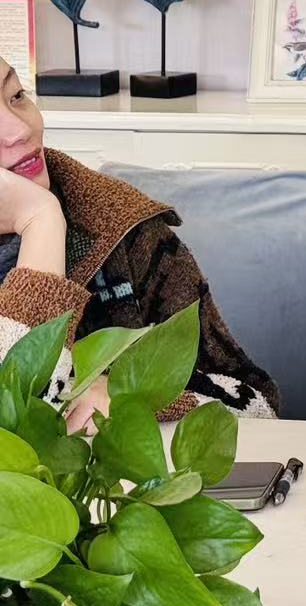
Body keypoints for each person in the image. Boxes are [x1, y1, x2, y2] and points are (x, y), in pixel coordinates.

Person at [0, 56, 279, 429]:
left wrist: (132, 398)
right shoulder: (46, 213)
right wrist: (42, 222)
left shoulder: (123, 231)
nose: (19, 130)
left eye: (16, 95)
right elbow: (14, 422)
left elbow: (257, 403)